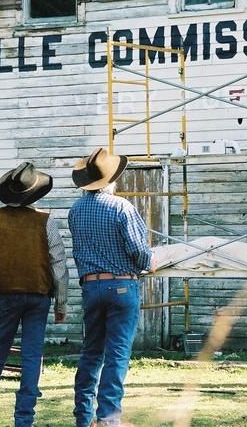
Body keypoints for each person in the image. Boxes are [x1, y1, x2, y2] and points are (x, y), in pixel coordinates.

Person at [0, 162, 69, 427]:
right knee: (32, 355)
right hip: (38, 295)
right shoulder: (46, 221)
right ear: (35, 194)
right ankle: (24, 419)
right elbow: (59, 266)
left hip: (6, 293)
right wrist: (61, 304)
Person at [69, 147, 155, 427]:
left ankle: (83, 417)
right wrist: (144, 263)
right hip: (121, 285)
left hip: (91, 286)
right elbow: (140, 252)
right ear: (112, 180)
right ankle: (107, 418)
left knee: (91, 351)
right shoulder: (122, 208)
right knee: (117, 353)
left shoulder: (75, 210)